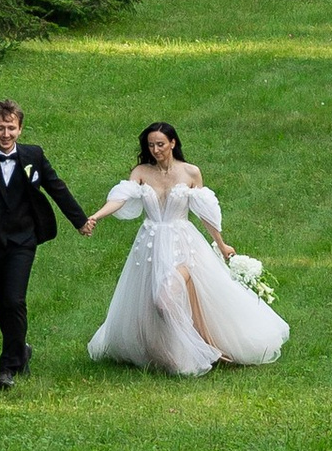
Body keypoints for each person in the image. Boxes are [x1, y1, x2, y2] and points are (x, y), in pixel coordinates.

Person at [83, 121, 289, 376]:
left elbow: (204, 212)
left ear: (173, 143)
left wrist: (222, 244)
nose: (156, 150)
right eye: (151, 145)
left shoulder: (190, 173)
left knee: (165, 300)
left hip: (183, 245)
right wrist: (95, 216)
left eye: (160, 144)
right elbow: (119, 199)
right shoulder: (141, 172)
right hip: (149, 245)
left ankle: (200, 347)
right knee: (152, 304)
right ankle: (168, 351)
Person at [0, 101, 90, 389]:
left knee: (14, 299)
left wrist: (79, 221)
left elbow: (56, 187)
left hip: (23, 240)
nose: (6, 134)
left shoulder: (33, 156)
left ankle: (7, 368)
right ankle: (21, 350)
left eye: (11, 128)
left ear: (20, 128)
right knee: (1, 304)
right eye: (0, 128)